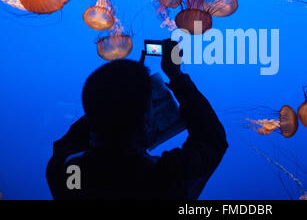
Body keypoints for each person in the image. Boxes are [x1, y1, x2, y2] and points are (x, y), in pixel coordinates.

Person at [46, 40, 228, 199]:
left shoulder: (68, 173)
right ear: (146, 121)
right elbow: (212, 140)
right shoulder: (166, 179)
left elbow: (70, 141)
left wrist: (113, 104)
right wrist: (176, 75)